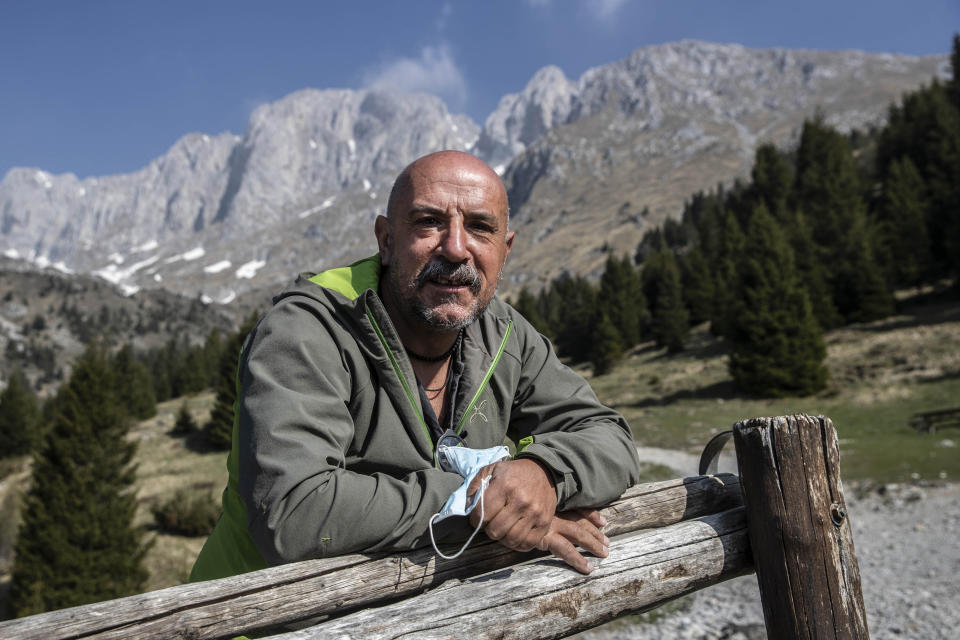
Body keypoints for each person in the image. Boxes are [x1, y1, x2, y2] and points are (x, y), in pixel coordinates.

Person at [190, 150, 641, 582]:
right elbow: (293, 513)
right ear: (386, 241)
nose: (456, 248)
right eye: (429, 222)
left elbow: (610, 437)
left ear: (506, 250)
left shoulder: (504, 334)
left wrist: (545, 472)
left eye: (480, 228)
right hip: (259, 623)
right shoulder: (309, 329)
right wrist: (479, 501)